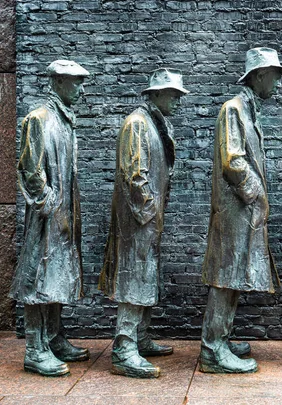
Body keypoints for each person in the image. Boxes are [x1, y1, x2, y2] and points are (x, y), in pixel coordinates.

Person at [200, 47, 282, 373]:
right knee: (226, 278)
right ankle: (212, 349)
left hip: (243, 212)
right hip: (234, 212)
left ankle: (220, 338)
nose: (277, 84)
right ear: (259, 76)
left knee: (235, 277)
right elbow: (233, 161)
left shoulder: (248, 111)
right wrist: (258, 195)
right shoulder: (233, 110)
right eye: (275, 77)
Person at [98, 68, 189, 378]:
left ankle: (140, 336)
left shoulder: (154, 122)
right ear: (156, 95)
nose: (178, 100)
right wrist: (148, 212)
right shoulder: (138, 124)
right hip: (139, 219)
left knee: (146, 275)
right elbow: (135, 175)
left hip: (148, 218)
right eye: (173, 95)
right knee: (134, 277)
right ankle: (124, 348)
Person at [11, 59, 90, 376]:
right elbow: (31, 171)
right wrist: (49, 205)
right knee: (38, 280)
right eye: (76, 83)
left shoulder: (64, 119)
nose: (81, 90)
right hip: (47, 217)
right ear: (58, 82)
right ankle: (35, 348)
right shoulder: (39, 118)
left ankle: (54, 338)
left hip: (63, 214)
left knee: (56, 277)